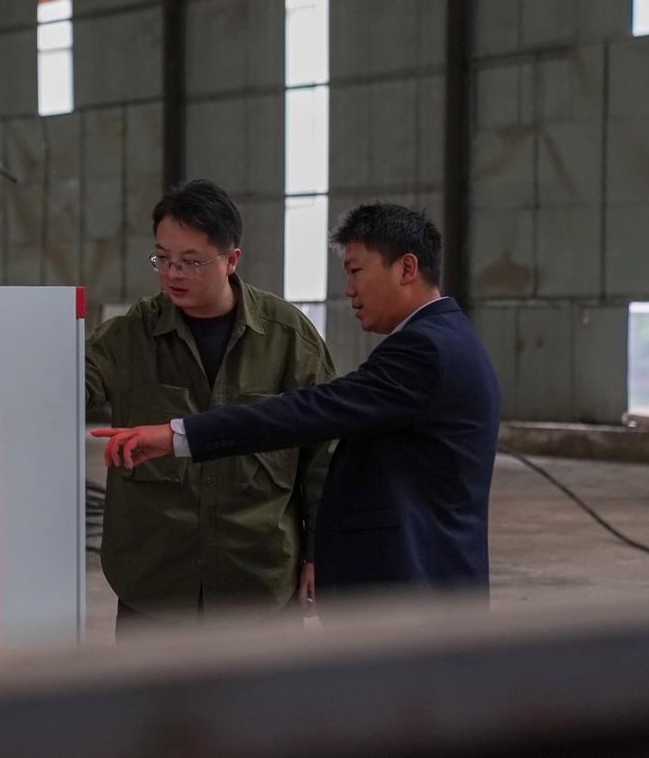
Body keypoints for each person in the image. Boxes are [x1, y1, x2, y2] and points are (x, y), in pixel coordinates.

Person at [94, 203, 501, 599]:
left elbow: (309, 414)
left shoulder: (424, 351)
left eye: (356, 271)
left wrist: (177, 434)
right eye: (164, 259)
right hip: (161, 582)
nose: (349, 289)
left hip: (417, 589)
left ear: (407, 268)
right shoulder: (445, 339)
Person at [86, 179, 336, 631]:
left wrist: (320, 553)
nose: (173, 274)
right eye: (162, 259)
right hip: (155, 586)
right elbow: (70, 385)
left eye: (190, 262)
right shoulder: (130, 337)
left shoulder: (288, 339)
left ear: (231, 260)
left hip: (258, 580)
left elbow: (324, 455)